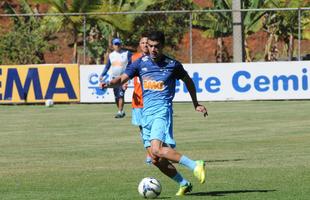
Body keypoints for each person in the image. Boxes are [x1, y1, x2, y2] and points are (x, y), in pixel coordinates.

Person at [100, 31, 208, 196]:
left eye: (156, 46)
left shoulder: (173, 65)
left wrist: (196, 103)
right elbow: (121, 79)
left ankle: (195, 165)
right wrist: (108, 84)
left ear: (162, 46)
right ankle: (184, 183)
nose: (152, 49)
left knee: (157, 150)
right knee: (155, 158)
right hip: (145, 115)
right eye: (150, 46)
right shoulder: (139, 63)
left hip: (161, 111)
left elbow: (188, 81)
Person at [99, 38, 132, 118]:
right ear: (113, 45)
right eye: (115, 44)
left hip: (123, 78)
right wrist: (102, 75)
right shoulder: (111, 55)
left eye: (118, 44)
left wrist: (129, 77)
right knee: (116, 97)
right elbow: (107, 67)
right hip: (114, 78)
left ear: (121, 44)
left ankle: (120, 111)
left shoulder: (127, 53)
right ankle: (121, 111)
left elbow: (131, 64)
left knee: (121, 94)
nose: (117, 46)